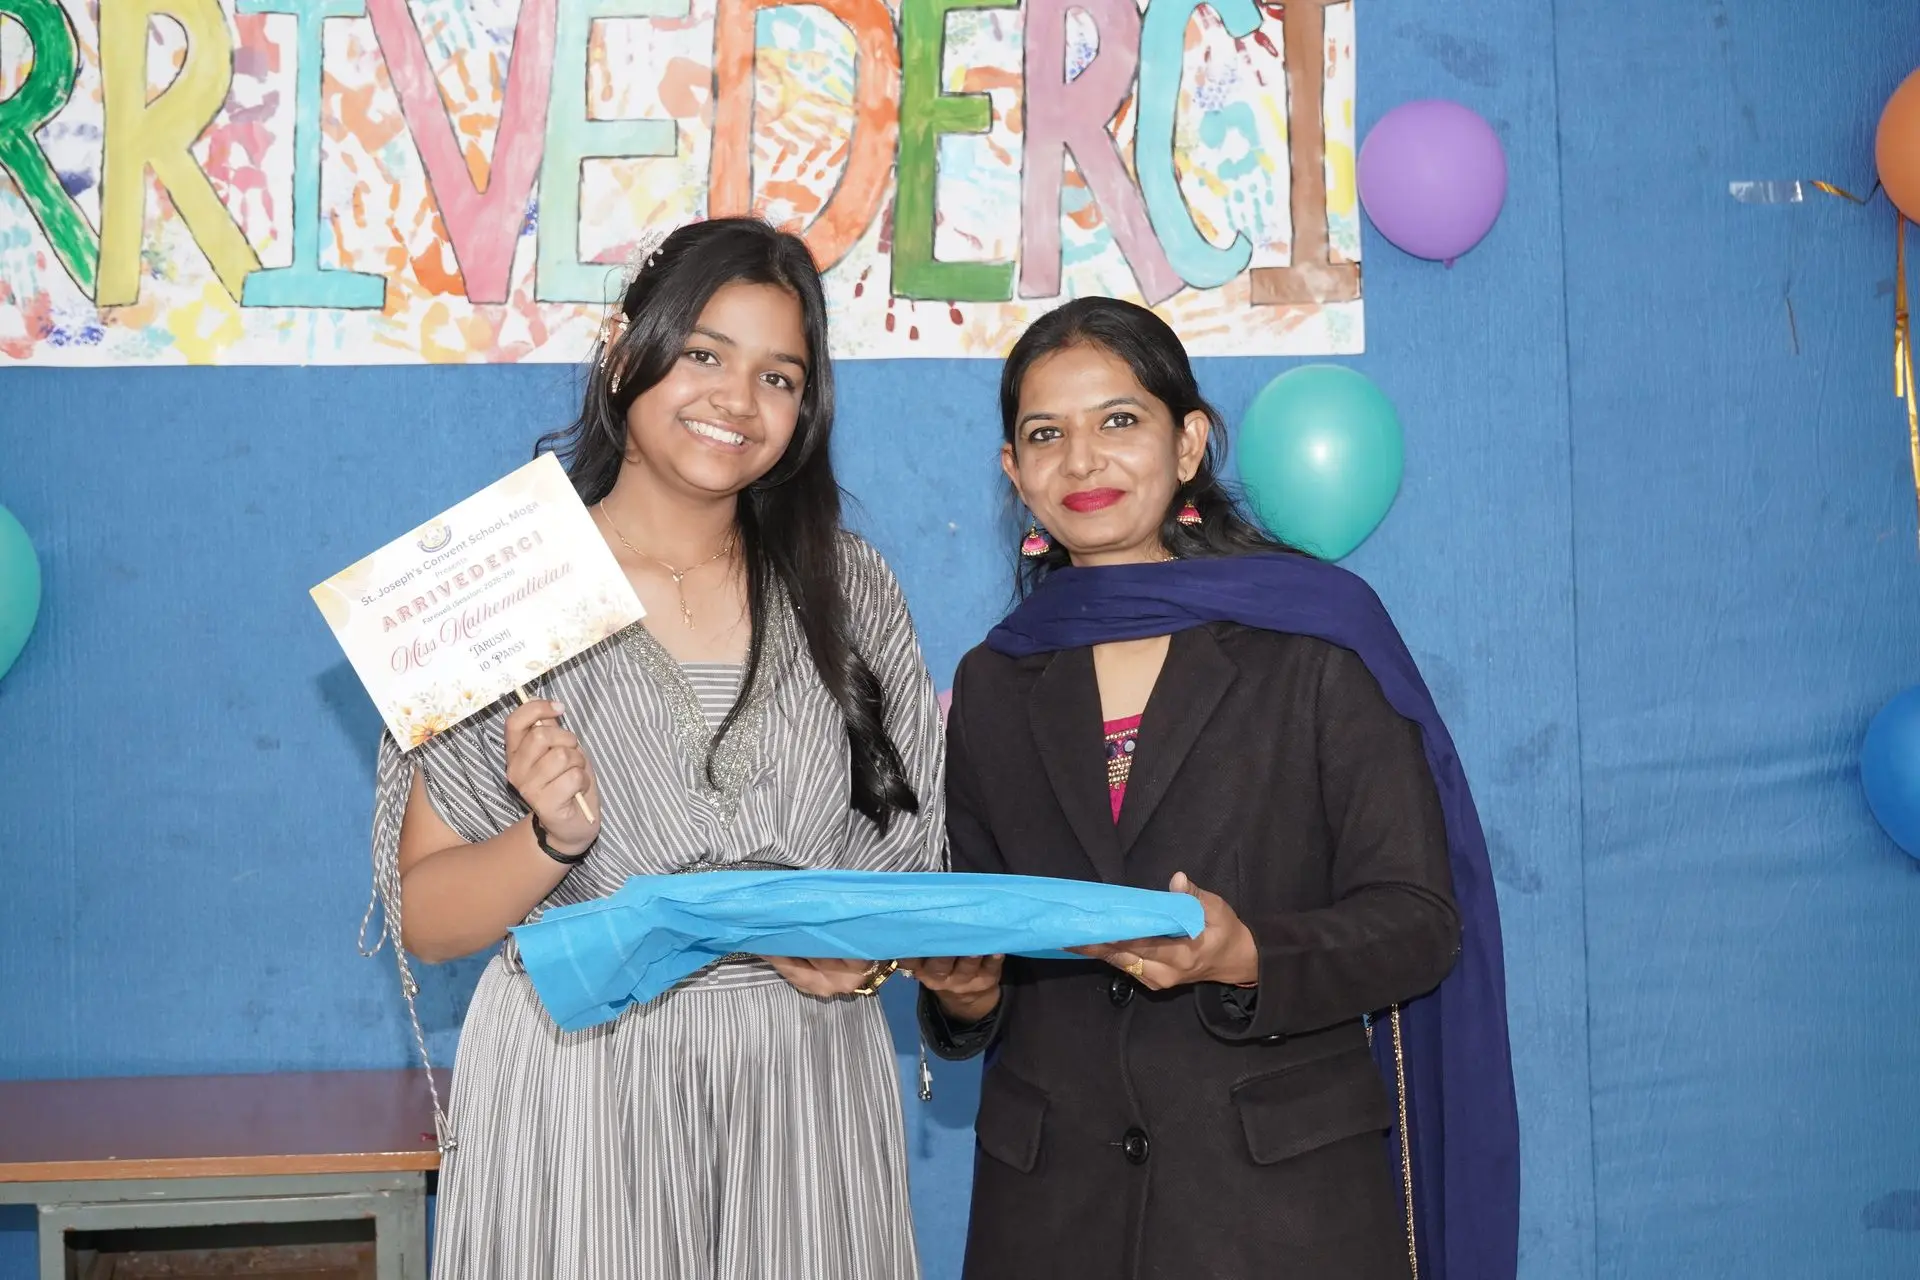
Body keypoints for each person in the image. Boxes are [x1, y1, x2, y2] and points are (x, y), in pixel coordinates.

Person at [363, 218, 945, 1279]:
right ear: (625, 349)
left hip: (801, 1087)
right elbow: (428, 919)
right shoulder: (500, 584)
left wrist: (852, 944)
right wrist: (548, 838)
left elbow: (906, 873)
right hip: (579, 1088)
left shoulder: (850, 587)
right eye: (705, 354)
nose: (738, 400)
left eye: (779, 376)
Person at [910, 297, 1519, 1280]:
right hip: (1051, 1216)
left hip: (1277, 1216)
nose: (1082, 460)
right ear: (1014, 473)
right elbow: (991, 938)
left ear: (1188, 442)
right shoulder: (995, 679)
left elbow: (1418, 923)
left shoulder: (1314, 642)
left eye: (1119, 420)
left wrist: (1247, 956)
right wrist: (967, 997)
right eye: (1046, 435)